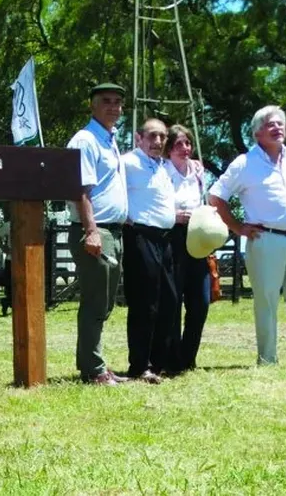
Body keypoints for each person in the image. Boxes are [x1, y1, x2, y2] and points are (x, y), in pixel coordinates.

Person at [208, 105, 286, 367]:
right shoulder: (244, 164)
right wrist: (238, 227)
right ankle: (268, 360)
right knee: (267, 301)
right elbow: (215, 196)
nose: (278, 128)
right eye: (270, 124)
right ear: (256, 133)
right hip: (264, 239)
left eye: (280, 124)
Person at [66, 82, 130, 386]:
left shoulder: (110, 139)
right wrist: (91, 231)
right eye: (106, 101)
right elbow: (81, 190)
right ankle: (93, 369)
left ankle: (94, 364)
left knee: (104, 303)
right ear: (92, 105)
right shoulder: (85, 140)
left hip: (113, 231)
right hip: (95, 231)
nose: (114, 107)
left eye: (118, 102)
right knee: (95, 302)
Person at [121, 118, 177, 384]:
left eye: (162, 137)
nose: (157, 142)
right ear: (138, 138)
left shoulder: (163, 167)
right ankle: (139, 366)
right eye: (152, 136)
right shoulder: (128, 163)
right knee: (145, 303)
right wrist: (124, 217)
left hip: (165, 240)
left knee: (168, 300)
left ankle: (158, 363)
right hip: (141, 237)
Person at [163, 124, 211, 372]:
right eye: (179, 144)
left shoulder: (199, 172)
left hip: (196, 237)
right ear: (169, 148)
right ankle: (171, 359)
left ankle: (188, 356)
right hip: (172, 236)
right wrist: (174, 215)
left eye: (187, 143)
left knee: (201, 301)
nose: (185, 148)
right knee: (172, 299)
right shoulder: (162, 172)